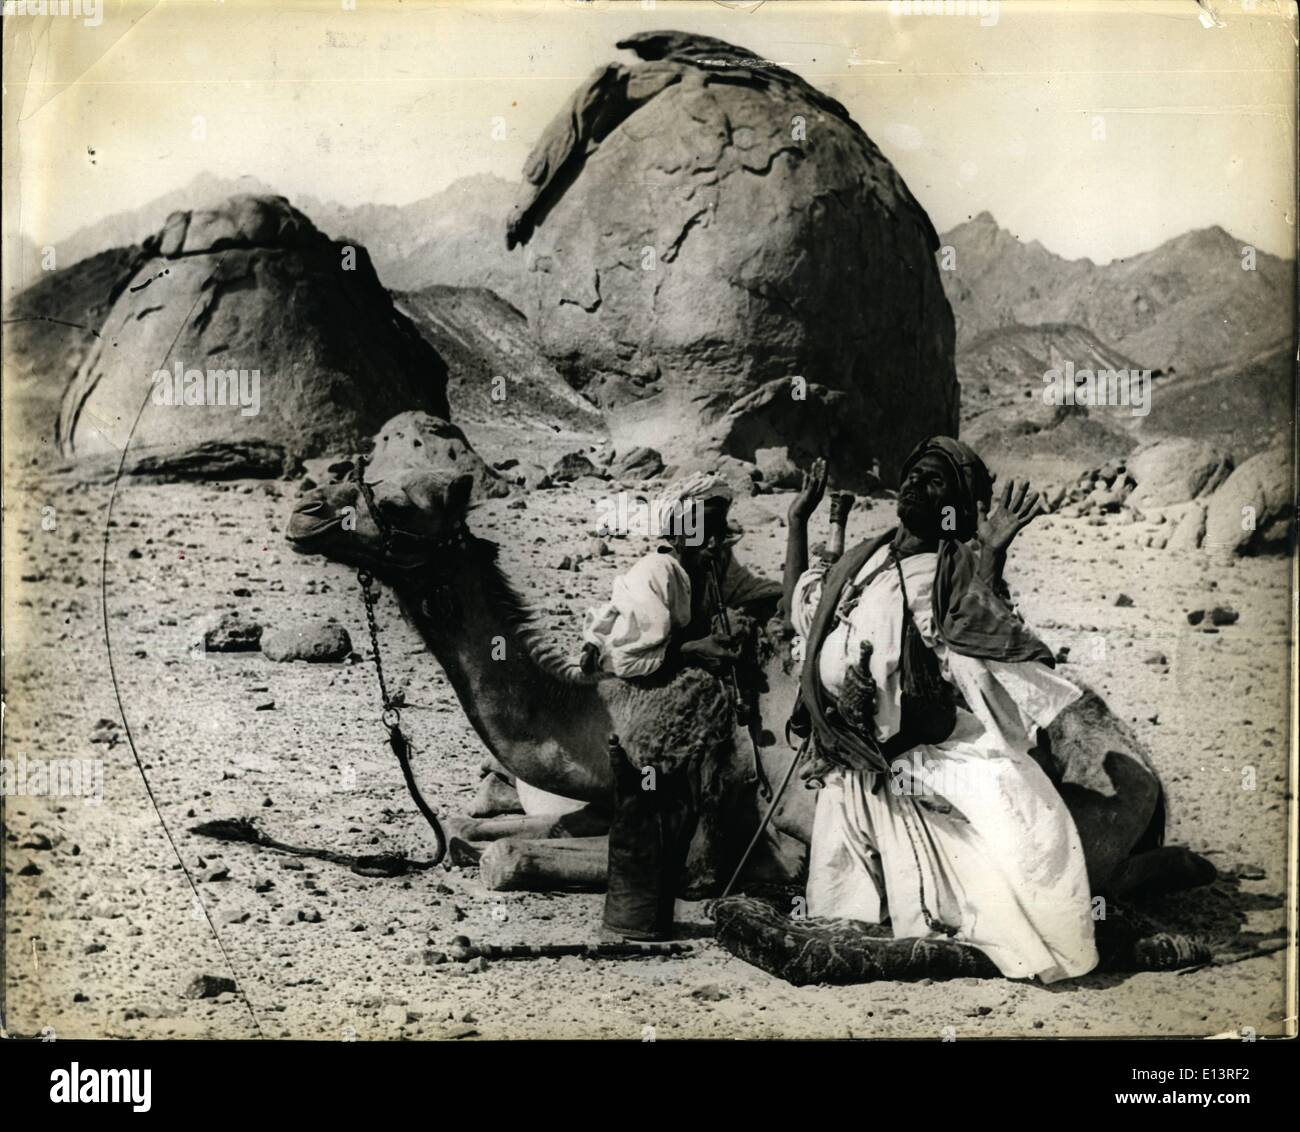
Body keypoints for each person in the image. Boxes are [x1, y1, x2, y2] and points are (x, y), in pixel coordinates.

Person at [785, 437, 1099, 984]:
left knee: (1009, 895)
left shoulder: (945, 575)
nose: (914, 485)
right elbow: (804, 613)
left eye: (934, 483)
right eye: (913, 475)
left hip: (911, 761)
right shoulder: (866, 559)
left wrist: (993, 553)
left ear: (956, 508)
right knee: (838, 909)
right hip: (850, 766)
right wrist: (796, 522)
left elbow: (976, 636)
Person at [581, 472, 780, 679]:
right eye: (701, 530)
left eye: (719, 530)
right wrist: (690, 652)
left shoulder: (718, 564)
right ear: (675, 535)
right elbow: (623, 660)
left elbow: (762, 593)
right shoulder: (656, 573)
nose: (713, 542)